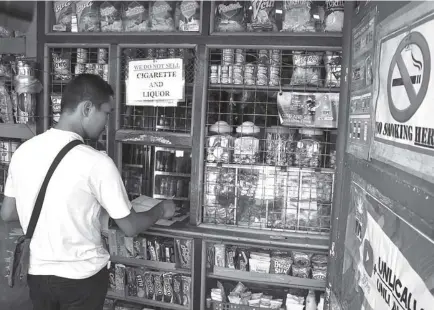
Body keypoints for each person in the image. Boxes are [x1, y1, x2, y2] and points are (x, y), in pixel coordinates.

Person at [0, 74, 176, 310]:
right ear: (87, 108)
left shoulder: (23, 151)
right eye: (106, 113)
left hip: (38, 275)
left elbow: (8, 212)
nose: (106, 122)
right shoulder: (96, 162)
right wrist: (161, 209)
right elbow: (130, 226)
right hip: (82, 278)